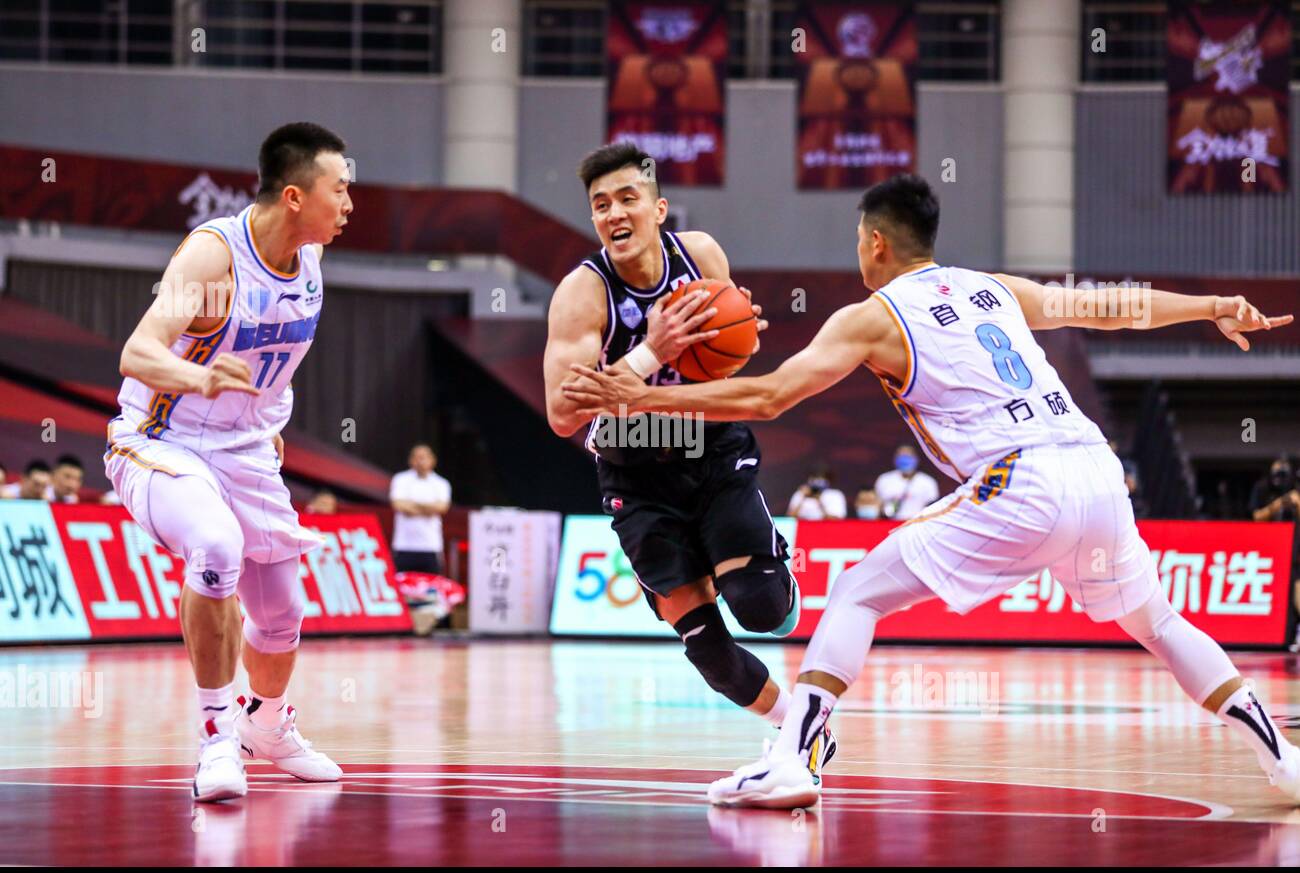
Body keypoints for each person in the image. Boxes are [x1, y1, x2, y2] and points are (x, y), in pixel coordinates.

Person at [563, 173, 1299, 807]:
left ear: (876, 243)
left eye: (859, 239)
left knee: (855, 591)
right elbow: (1106, 305)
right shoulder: (993, 288)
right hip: (1097, 471)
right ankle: (1283, 758)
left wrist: (648, 399)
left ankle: (793, 760)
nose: (857, 252)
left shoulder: (871, 317)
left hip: (1022, 481)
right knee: (1161, 624)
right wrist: (1211, 306)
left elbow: (768, 397)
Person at [543, 142, 835, 769]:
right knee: (709, 653)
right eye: (600, 205)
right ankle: (800, 728)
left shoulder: (699, 256)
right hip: (634, 470)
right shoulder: (582, 294)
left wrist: (740, 340)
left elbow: (724, 359)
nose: (614, 213)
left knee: (759, 606)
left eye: (627, 198)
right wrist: (652, 351)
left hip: (710, 447)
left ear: (658, 208)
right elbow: (563, 413)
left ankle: (770, 568)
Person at [106, 122, 351, 802]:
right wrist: (200, 379)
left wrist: (265, 420)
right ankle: (216, 739)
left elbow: (278, 362)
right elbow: (139, 352)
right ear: (296, 195)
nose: (351, 203)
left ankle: (265, 726)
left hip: (241, 449)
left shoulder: (309, 260)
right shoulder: (214, 258)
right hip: (159, 437)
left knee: (281, 616)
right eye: (341, 188)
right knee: (216, 548)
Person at [389, 444, 451, 575]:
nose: (420, 461)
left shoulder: (441, 483)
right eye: (416, 458)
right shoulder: (400, 479)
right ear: (410, 460)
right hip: (404, 545)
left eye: (424, 457)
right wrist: (428, 508)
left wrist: (413, 506)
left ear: (432, 460)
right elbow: (398, 504)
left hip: (430, 545)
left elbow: (442, 507)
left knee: (431, 590)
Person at [873, 444, 939, 519]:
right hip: (889, 523)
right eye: (901, 456)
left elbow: (933, 508)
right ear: (895, 458)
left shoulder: (928, 481)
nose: (905, 459)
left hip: (917, 524)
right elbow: (876, 505)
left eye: (908, 456)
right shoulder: (884, 479)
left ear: (916, 459)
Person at [1250, 457, 1299, 522]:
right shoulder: (1262, 487)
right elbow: (1256, 517)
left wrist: (1298, 503)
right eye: (1277, 473)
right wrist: (1278, 503)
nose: (1280, 478)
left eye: (1283, 474)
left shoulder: (1293, 486)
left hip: (1292, 527)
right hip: (1268, 528)